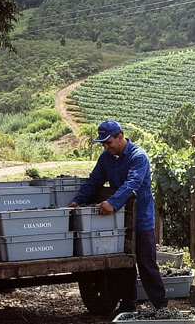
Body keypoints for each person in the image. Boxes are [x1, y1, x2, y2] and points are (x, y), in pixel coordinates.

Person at [68, 120, 167, 312]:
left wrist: (112, 203)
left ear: (120, 137)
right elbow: (94, 181)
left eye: (108, 142)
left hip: (141, 219)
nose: (106, 147)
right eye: (103, 143)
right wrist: (77, 201)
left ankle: (161, 306)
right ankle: (128, 305)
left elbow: (132, 184)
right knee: (124, 264)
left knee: (146, 262)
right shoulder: (106, 158)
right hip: (118, 222)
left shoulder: (138, 157)